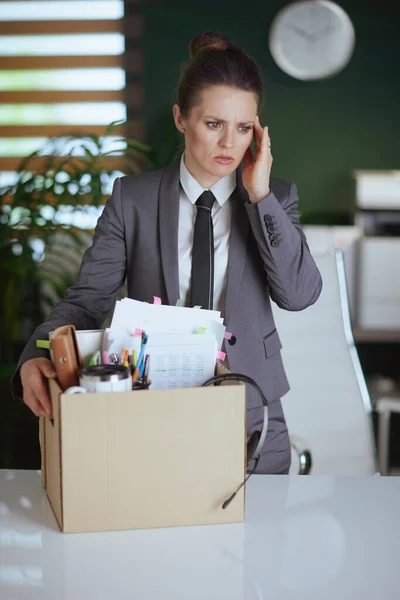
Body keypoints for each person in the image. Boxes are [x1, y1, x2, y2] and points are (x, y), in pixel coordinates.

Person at [13, 32, 322, 474]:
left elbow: (299, 294)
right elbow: (85, 300)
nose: (229, 144)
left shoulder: (274, 197)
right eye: (213, 124)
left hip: (251, 414)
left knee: (262, 538)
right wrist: (35, 354)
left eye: (242, 128)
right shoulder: (131, 200)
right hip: (154, 411)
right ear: (181, 118)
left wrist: (260, 195)